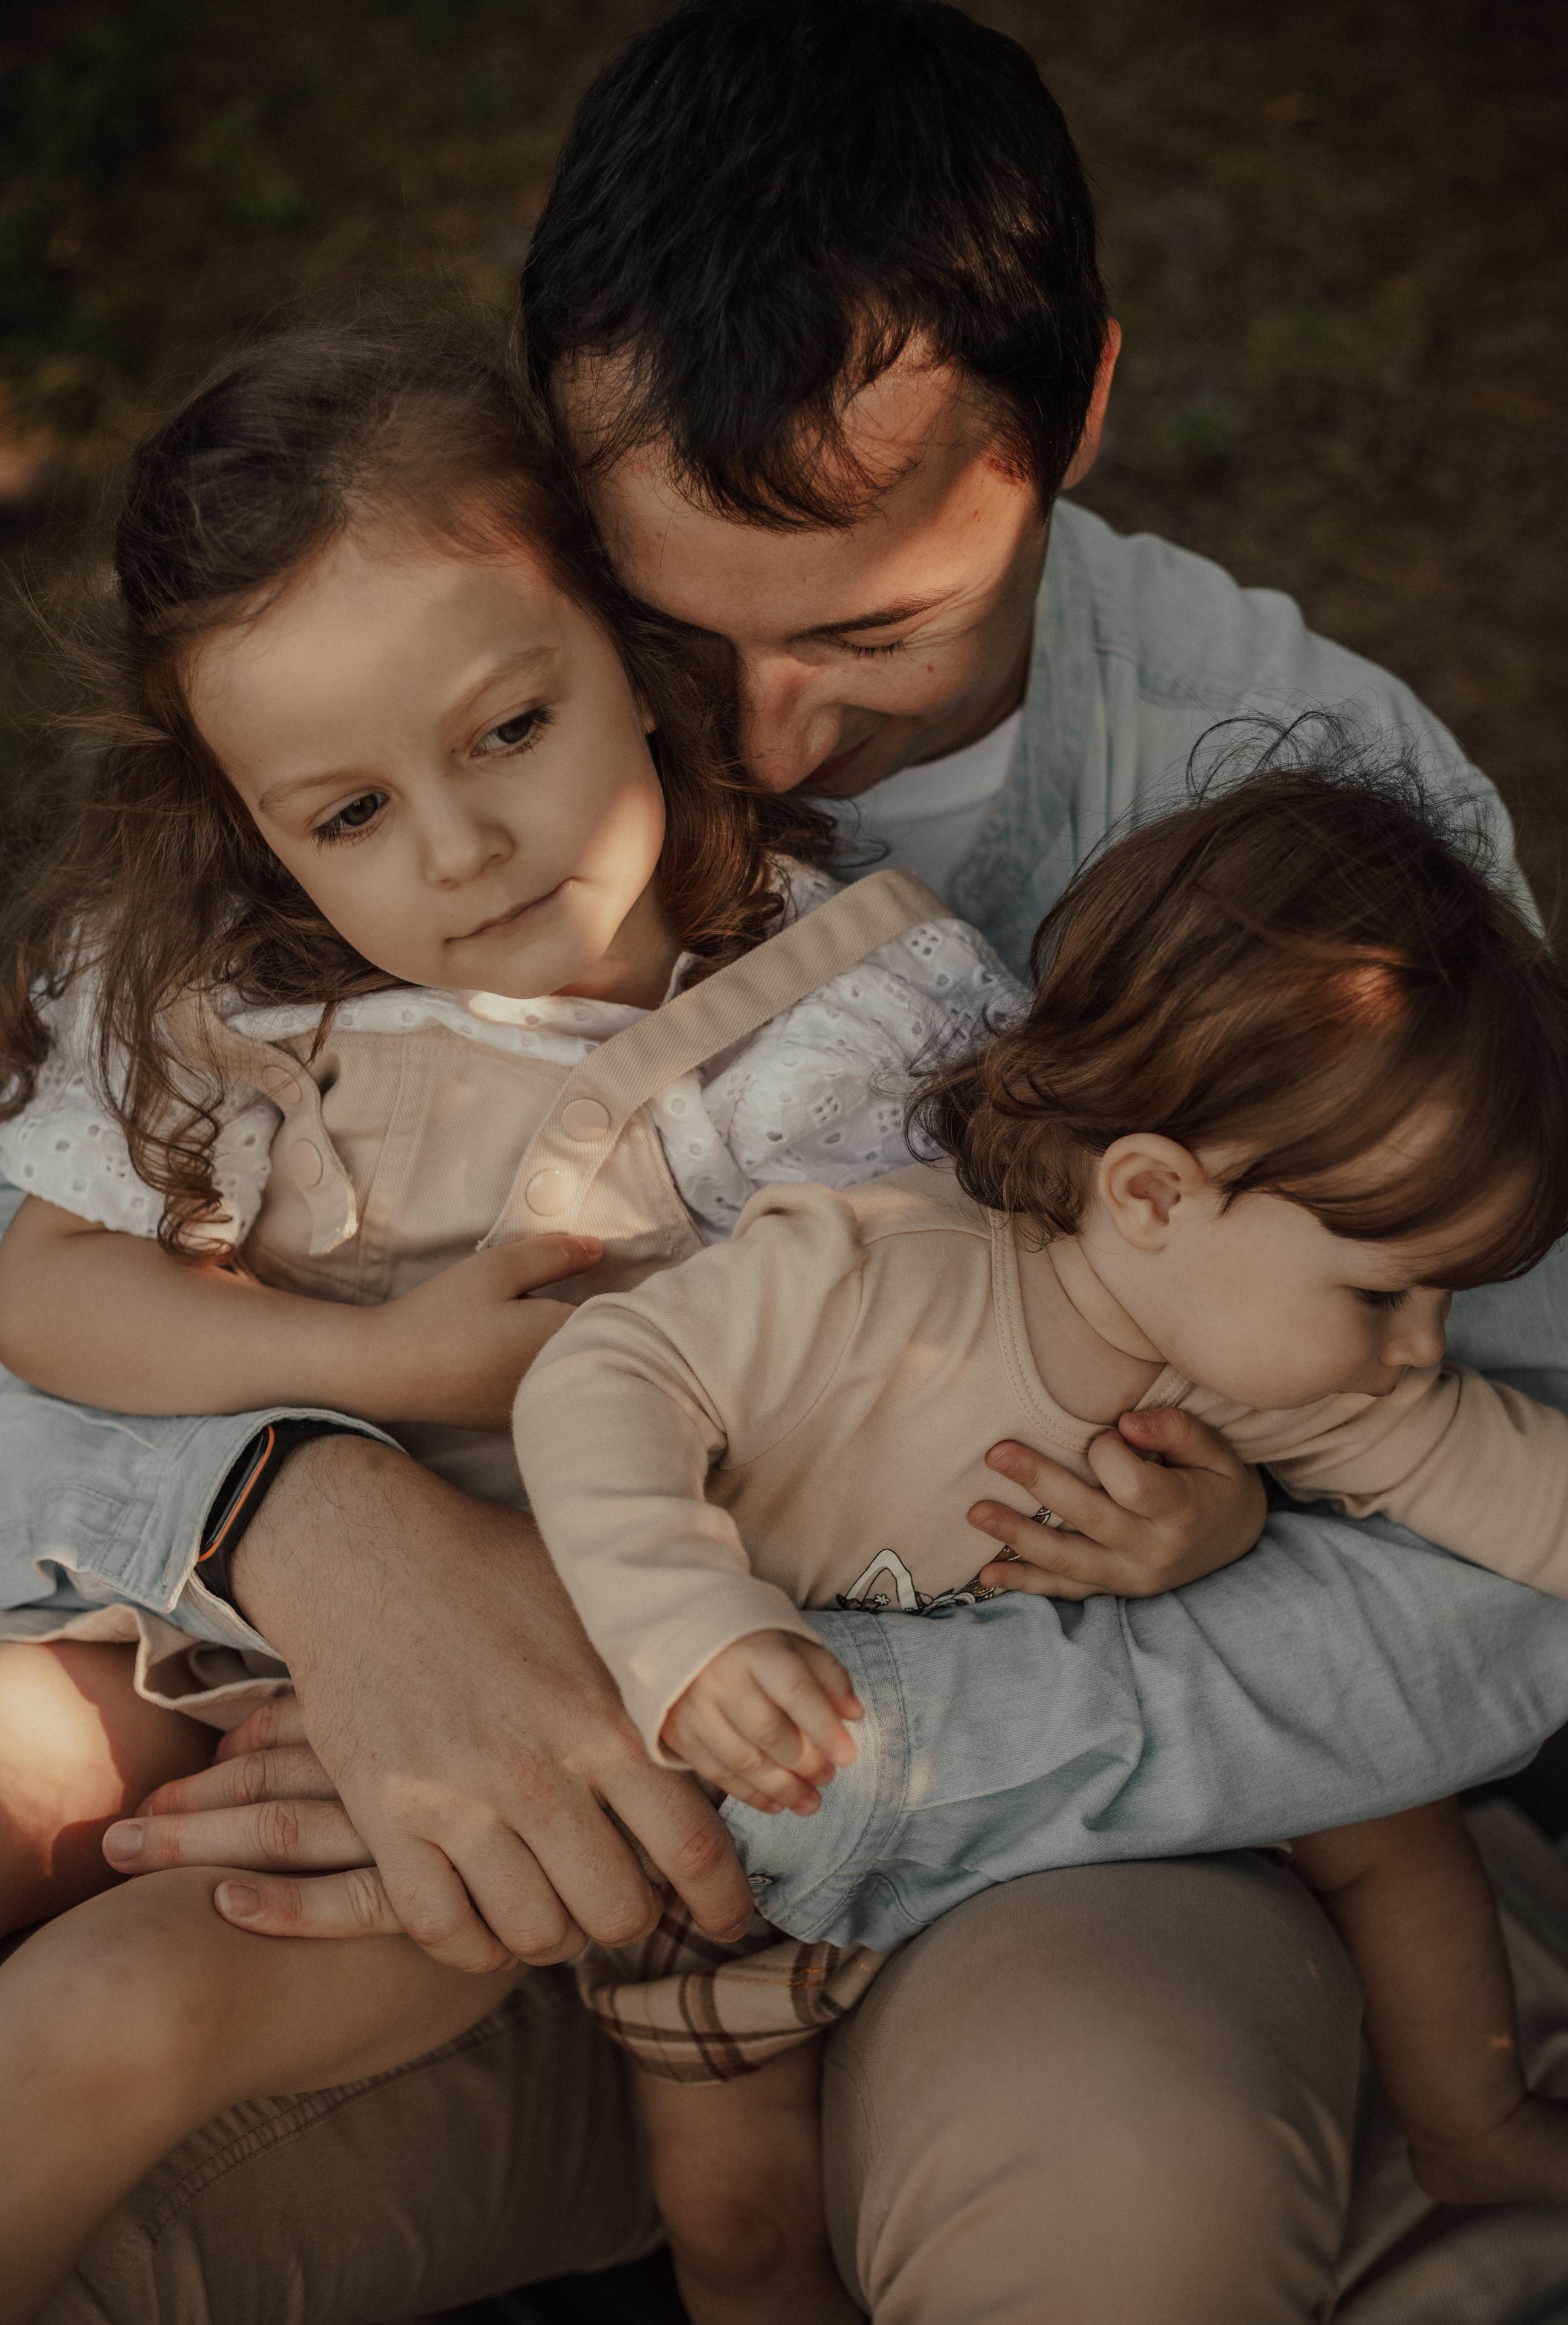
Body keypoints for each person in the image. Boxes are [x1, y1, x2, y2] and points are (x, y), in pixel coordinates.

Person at [9, 4, 1568, 2318]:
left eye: (876, 633)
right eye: (672, 630)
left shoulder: (1308, 820)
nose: (752, 735)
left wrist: (768, 1731)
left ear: (1083, 420)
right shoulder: (375, 722)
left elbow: (1489, 1568)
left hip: (1032, 1824)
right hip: (383, 1786)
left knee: (1119, 2214)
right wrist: (307, 1520)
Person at [0, 309, 1081, 2316]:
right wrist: (369, 1370)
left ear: (637, 655)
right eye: (347, 815)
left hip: (597, 1736)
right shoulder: (215, 998)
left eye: (508, 728)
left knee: (86, 2025)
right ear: (245, 822)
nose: (463, 847)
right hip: (234, 1608)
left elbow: (932, 1422)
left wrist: (497, 1664)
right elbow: (49, 1288)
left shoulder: (835, 1028)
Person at [517, 754, 1568, 2324]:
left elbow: (1509, 1480)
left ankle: (1467, 2120)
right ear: (1150, 1192)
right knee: (737, 2222)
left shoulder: (1274, 1372)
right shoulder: (882, 1280)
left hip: (1034, 1865)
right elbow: (605, 1373)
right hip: (747, 1835)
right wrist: (692, 1624)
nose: (1420, 1345)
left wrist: (1235, 1520)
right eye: (1383, 1288)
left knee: (1387, 1805)